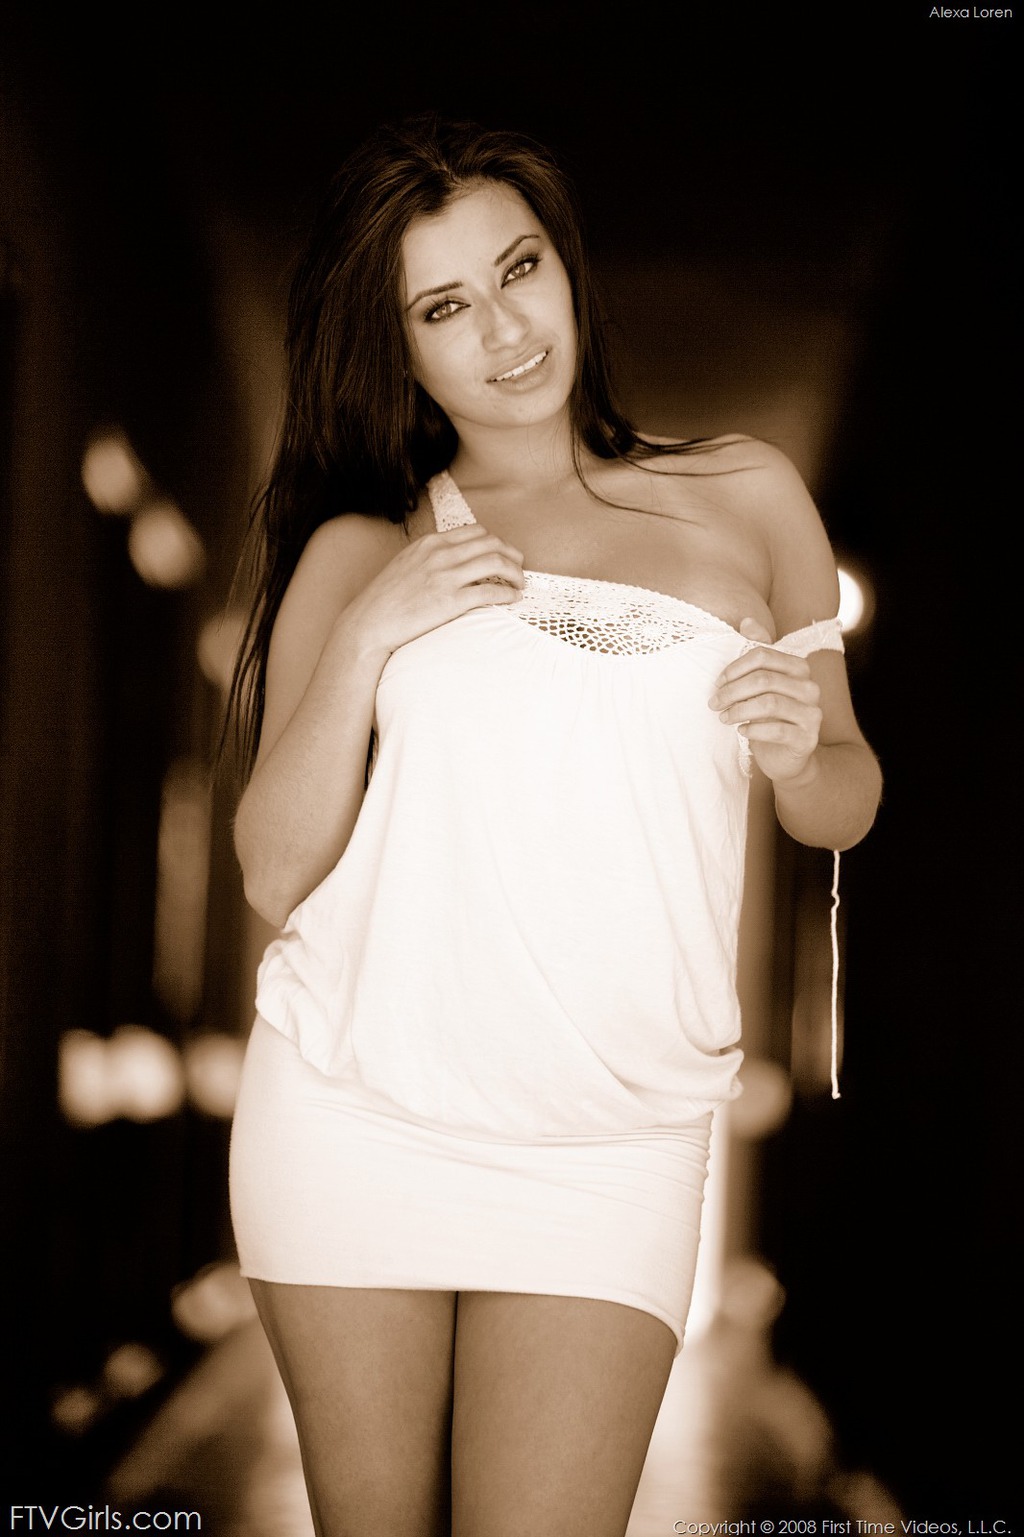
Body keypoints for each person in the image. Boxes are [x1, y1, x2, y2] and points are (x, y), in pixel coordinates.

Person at [224, 112, 882, 1537]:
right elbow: (275, 868)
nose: (506, 330)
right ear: (399, 349)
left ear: (568, 268)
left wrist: (796, 751)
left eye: (520, 268)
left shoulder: (747, 495)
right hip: (355, 1117)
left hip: (612, 1144)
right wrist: (368, 636)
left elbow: (847, 795)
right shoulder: (365, 546)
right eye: (444, 307)